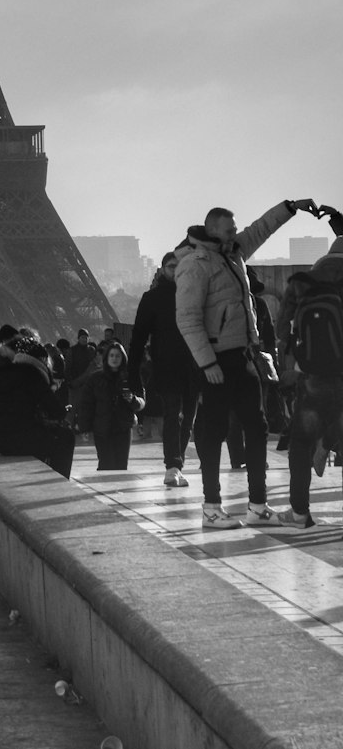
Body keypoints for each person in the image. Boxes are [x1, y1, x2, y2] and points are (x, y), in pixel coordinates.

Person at [176, 197, 320, 529]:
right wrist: (207, 362)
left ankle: (257, 505)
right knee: (212, 432)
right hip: (216, 360)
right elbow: (187, 318)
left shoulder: (233, 252)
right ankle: (211, 506)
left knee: (256, 428)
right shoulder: (196, 264)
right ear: (213, 231)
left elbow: (261, 229)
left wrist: (290, 207)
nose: (236, 234)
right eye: (230, 230)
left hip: (242, 356)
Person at [275, 215, 343, 526]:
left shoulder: (312, 277)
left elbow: (282, 331)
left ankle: (299, 512)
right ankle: (329, 440)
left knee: (300, 444)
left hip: (315, 376)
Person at [127, 253, 200, 488]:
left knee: (187, 417)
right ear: (162, 269)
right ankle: (173, 465)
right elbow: (138, 338)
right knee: (173, 415)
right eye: (172, 267)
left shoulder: (194, 295)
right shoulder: (154, 298)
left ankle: (176, 465)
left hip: (192, 367)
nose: (176, 271)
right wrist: (134, 374)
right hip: (168, 367)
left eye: (180, 267)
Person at [0, 336, 74, 477]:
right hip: (25, 439)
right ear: (41, 360)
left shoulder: (1, 373)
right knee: (66, 437)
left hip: (1, 440)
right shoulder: (34, 375)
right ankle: (60, 481)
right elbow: (55, 412)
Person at [77, 342, 144, 469]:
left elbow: (142, 402)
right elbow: (86, 404)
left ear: (122, 358)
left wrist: (133, 400)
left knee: (121, 464)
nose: (114, 359)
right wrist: (84, 427)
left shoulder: (131, 377)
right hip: (102, 429)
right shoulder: (95, 378)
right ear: (106, 358)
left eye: (117, 356)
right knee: (105, 463)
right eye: (112, 355)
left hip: (123, 428)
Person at [63, 330, 97, 412]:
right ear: (78, 338)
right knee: (73, 407)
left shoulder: (91, 350)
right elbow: (68, 367)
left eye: (86, 337)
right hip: (75, 383)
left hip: (88, 383)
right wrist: (69, 380)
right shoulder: (72, 350)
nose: (84, 339)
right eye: (82, 337)